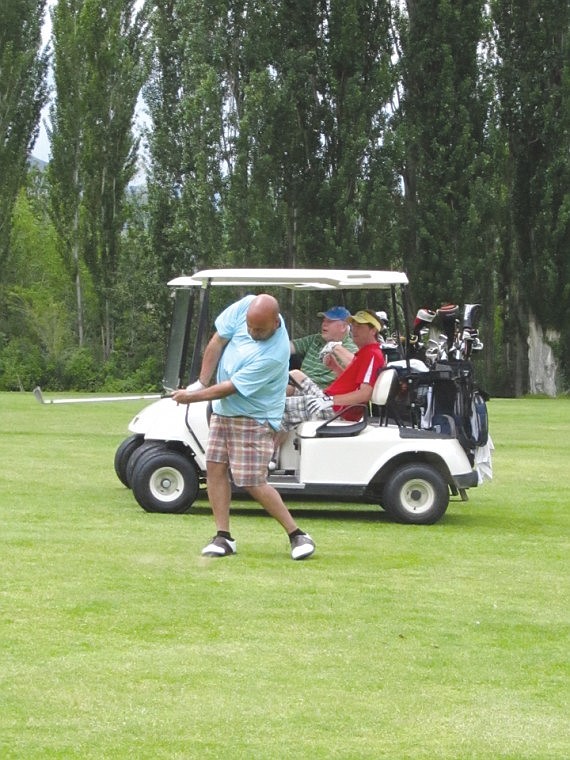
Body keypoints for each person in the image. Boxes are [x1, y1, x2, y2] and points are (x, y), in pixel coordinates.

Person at [172, 294, 315, 561]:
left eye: (259, 329)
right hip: (224, 414)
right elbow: (218, 340)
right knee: (214, 468)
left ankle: (297, 534)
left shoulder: (275, 352)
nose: (252, 332)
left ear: (275, 322)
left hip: (253, 417)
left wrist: (191, 397)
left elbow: (232, 388)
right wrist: (201, 383)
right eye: (249, 327)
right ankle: (223, 537)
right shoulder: (245, 308)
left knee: (252, 481)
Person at [282, 309, 386, 429]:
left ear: (373, 330)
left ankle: (265, 445)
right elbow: (352, 382)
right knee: (292, 379)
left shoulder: (372, 354)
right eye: (354, 326)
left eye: (360, 326)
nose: (354, 330)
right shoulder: (365, 352)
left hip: (337, 411)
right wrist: (334, 367)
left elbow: (364, 394)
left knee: (274, 408)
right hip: (332, 402)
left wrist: (331, 400)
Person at [289, 306, 357, 389]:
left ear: (343, 327)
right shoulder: (316, 339)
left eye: (329, 321)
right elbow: (288, 347)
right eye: (324, 320)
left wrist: (335, 347)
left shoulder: (349, 348)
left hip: (319, 393)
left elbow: (357, 368)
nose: (324, 324)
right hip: (297, 384)